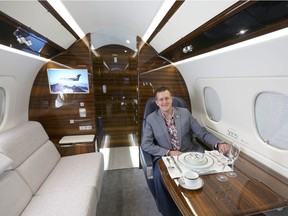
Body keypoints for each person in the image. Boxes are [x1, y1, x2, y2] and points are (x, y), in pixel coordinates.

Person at [141, 86, 230, 216]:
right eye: (161, 99)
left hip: (189, 152)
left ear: (171, 99)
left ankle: (203, 208)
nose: (164, 102)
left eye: (167, 98)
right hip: (166, 157)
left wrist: (218, 143)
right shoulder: (151, 119)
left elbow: (201, 133)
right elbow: (146, 144)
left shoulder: (184, 113)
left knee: (210, 173)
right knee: (160, 179)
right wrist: (168, 152)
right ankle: (170, 212)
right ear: (157, 102)